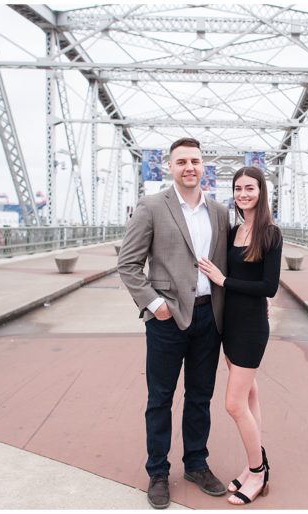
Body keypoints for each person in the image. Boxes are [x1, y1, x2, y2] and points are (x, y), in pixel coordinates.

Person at [118, 137, 231, 509]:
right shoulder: (151, 207)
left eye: (195, 161)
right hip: (166, 318)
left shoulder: (218, 212)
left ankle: (196, 464)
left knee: (200, 396)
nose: (189, 168)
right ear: (170, 167)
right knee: (160, 398)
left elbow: (230, 264)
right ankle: (158, 473)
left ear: (203, 166)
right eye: (181, 161)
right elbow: (128, 264)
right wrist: (155, 305)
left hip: (207, 316)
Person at [197, 166, 283, 506]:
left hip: (250, 328)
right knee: (249, 398)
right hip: (228, 325)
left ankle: (258, 471)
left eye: (249, 187)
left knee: (233, 403)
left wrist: (223, 280)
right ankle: (252, 468)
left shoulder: (270, 233)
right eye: (237, 188)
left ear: (261, 191)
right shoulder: (234, 230)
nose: (242, 193)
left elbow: (269, 287)